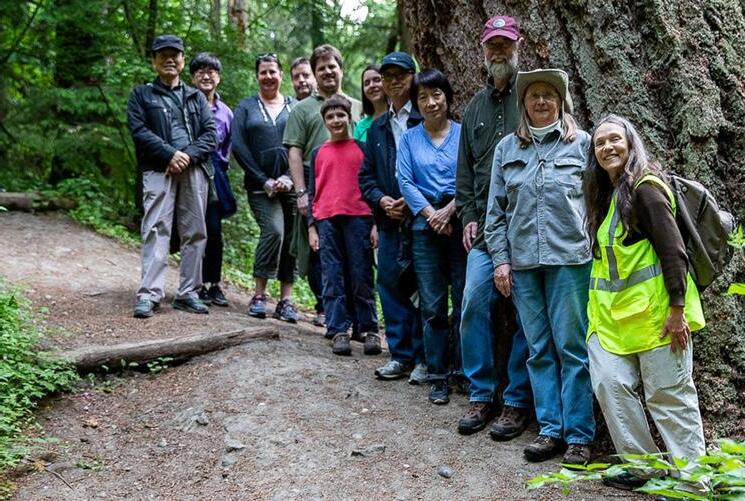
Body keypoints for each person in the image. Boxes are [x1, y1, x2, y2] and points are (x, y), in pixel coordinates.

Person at [583, 114, 706, 493]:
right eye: (600, 142)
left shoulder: (646, 188)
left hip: (660, 317)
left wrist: (677, 311)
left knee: (669, 398)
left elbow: (673, 251)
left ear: (630, 143)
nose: (608, 147)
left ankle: (693, 482)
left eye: (614, 139)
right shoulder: (606, 196)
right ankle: (644, 468)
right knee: (610, 386)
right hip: (611, 322)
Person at [484, 68, 594, 464]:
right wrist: (501, 261)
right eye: (534, 95)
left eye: (549, 94)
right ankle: (550, 430)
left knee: (572, 348)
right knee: (538, 349)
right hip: (524, 264)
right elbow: (495, 213)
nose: (542, 101)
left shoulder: (583, 144)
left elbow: (599, 203)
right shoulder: (507, 149)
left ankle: (579, 436)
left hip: (571, 261)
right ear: (523, 104)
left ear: (561, 101)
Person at [455, 15, 533, 436]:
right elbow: (464, 172)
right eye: (492, 45)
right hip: (486, 232)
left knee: (527, 314)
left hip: (528, 229)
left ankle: (517, 401)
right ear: (482, 51)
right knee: (472, 303)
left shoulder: (534, 96)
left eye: (506, 43)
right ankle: (481, 393)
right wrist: (468, 215)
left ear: (518, 46)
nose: (499, 51)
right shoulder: (474, 108)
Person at [128, 34, 216, 318]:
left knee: (195, 231)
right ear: (154, 61)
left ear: (182, 60)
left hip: (194, 169)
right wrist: (169, 154)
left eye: (174, 54)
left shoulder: (196, 96)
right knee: (156, 228)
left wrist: (186, 156)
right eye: (162, 54)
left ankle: (188, 293)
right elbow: (139, 132)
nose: (169, 59)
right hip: (158, 169)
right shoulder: (141, 95)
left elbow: (210, 135)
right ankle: (149, 294)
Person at [397, 69, 467, 405]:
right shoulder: (409, 139)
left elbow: (472, 177)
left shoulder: (463, 134)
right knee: (433, 305)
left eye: (436, 94)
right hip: (425, 229)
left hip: (460, 224)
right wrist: (431, 215)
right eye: (422, 97)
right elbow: (405, 182)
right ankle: (437, 375)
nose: (430, 102)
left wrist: (449, 211)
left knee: (466, 301)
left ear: (447, 98)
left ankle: (465, 373)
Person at [283, 44, 362, 328]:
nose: (328, 72)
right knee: (318, 252)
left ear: (341, 69)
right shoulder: (302, 109)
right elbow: (294, 152)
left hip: (354, 190)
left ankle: (354, 313)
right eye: (321, 68)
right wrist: (301, 192)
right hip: (316, 185)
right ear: (314, 74)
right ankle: (325, 308)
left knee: (355, 255)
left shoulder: (358, 106)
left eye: (332, 66)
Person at [358, 52, 426, 384]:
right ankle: (400, 355)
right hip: (388, 220)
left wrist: (416, 203)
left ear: (413, 77)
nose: (394, 82)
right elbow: (366, 177)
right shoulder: (378, 127)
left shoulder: (426, 117)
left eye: (401, 75)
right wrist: (382, 200)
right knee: (389, 284)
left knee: (425, 287)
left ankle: (426, 357)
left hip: (423, 218)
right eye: (388, 77)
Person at [307, 95, 380, 356]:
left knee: (361, 274)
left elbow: (373, 186)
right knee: (332, 275)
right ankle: (338, 329)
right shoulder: (318, 153)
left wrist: (375, 224)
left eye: (341, 115)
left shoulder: (363, 148)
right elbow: (313, 192)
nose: (336, 120)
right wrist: (311, 227)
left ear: (350, 118)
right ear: (324, 121)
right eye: (330, 117)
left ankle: (368, 328)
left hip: (359, 217)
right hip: (326, 220)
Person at [232, 54, 299, 323]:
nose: (268, 76)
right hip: (261, 187)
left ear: (281, 75)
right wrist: (263, 179)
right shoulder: (246, 107)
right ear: (257, 76)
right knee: (274, 231)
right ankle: (259, 295)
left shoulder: (294, 106)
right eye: (263, 72)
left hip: (292, 185)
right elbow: (239, 146)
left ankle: (286, 300)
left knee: (291, 239)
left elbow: (303, 144)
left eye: (273, 71)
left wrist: (288, 177)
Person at [189, 53, 235, 308]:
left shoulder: (226, 112)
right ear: (192, 77)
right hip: (189, 169)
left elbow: (228, 147)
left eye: (211, 71)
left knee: (214, 230)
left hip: (215, 173)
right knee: (193, 229)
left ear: (219, 77)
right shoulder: (185, 104)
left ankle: (213, 283)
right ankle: (194, 284)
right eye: (201, 71)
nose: (206, 76)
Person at [353, 64, 387, 142]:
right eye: (367, 83)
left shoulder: (397, 117)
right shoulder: (361, 126)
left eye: (377, 80)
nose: (371, 85)